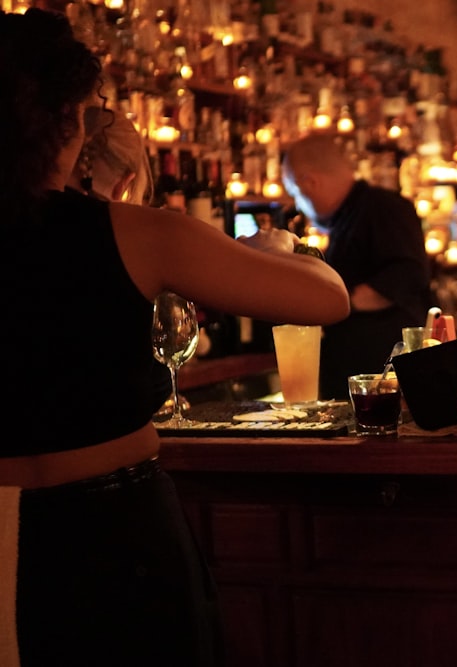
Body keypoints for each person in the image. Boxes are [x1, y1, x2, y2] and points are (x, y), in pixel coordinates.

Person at [0, 9, 350, 667]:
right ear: (71, 119)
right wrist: (275, 249)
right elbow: (325, 298)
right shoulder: (138, 232)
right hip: (112, 532)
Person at [281, 130, 433, 399]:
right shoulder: (350, 217)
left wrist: (340, 303)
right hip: (367, 384)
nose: (299, 206)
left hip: (382, 386)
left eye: (295, 194)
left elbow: (408, 274)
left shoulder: (382, 208)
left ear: (309, 182)